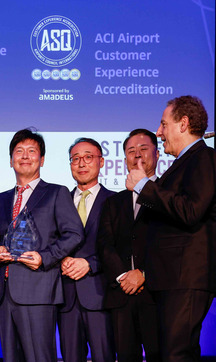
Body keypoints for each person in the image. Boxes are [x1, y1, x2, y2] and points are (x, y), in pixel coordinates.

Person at [126, 95, 216, 361]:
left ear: (183, 124)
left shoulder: (204, 158)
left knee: (177, 354)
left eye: (163, 124)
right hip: (171, 278)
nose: (159, 132)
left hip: (185, 277)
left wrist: (144, 186)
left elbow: (191, 210)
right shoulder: (184, 163)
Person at [0, 128, 83, 362]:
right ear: (11, 161)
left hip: (39, 289)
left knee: (39, 357)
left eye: (32, 151)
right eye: (19, 151)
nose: (24, 156)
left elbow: (74, 234)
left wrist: (46, 257)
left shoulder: (56, 193)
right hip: (4, 292)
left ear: (41, 159)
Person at [98, 129, 160, 362]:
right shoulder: (113, 202)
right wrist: (125, 276)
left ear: (157, 153)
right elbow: (104, 244)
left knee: (160, 353)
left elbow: (168, 244)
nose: (137, 155)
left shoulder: (168, 194)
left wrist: (144, 274)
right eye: (130, 151)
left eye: (143, 149)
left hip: (156, 292)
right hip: (121, 295)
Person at [58, 138, 116, 362]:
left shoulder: (115, 201)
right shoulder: (58, 200)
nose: (81, 163)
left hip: (100, 295)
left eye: (88, 157)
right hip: (66, 298)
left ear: (101, 162)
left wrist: (90, 264)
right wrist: (59, 259)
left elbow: (121, 249)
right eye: (75, 159)